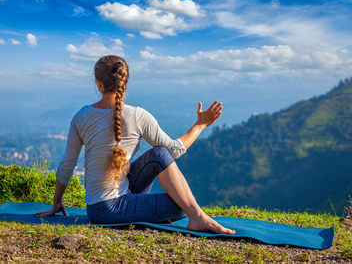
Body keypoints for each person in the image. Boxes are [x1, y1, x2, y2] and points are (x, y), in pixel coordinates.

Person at [36, 55, 235, 235]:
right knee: (182, 206)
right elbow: (175, 150)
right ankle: (197, 217)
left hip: (97, 206)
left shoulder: (81, 116)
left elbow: (67, 164)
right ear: (125, 82)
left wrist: (56, 203)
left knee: (159, 154)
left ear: (98, 84)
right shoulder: (138, 115)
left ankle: (190, 214)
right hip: (109, 209)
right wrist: (200, 125)